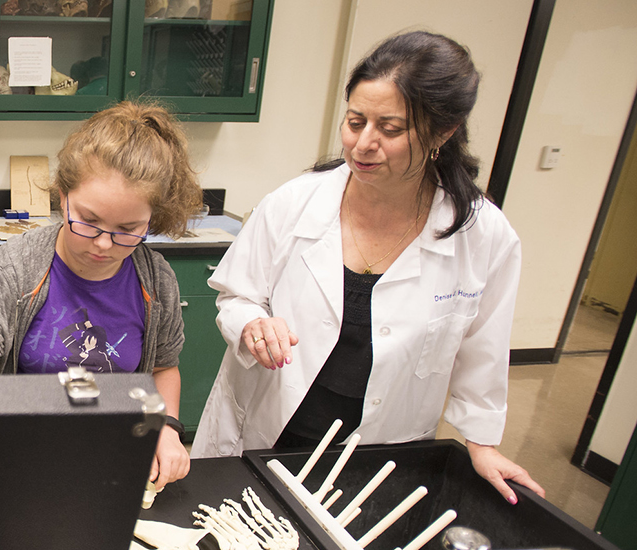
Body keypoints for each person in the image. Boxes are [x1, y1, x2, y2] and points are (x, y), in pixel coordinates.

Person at [190, 31, 544, 504]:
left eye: (390, 129)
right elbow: (236, 295)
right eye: (355, 121)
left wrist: (481, 443)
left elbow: (482, 349)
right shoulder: (294, 203)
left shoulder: (481, 236)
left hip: (377, 454)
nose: (363, 144)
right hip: (264, 434)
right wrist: (252, 323)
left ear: (444, 131)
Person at [0, 101, 204, 491]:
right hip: (18, 455)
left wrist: (164, 427)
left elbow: (163, 367)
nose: (103, 244)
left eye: (127, 229)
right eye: (89, 220)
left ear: (154, 219)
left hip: (111, 458)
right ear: (62, 196)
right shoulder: (18, 266)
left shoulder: (156, 281)